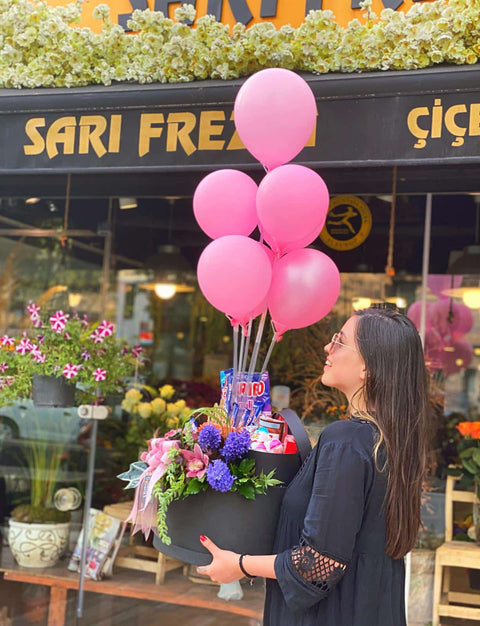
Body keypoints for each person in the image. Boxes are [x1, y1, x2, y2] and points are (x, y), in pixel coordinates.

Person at [197, 306, 430, 625]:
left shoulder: (346, 440)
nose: (327, 347)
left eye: (340, 340)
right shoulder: (392, 443)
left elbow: (317, 565)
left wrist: (239, 564)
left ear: (368, 367)